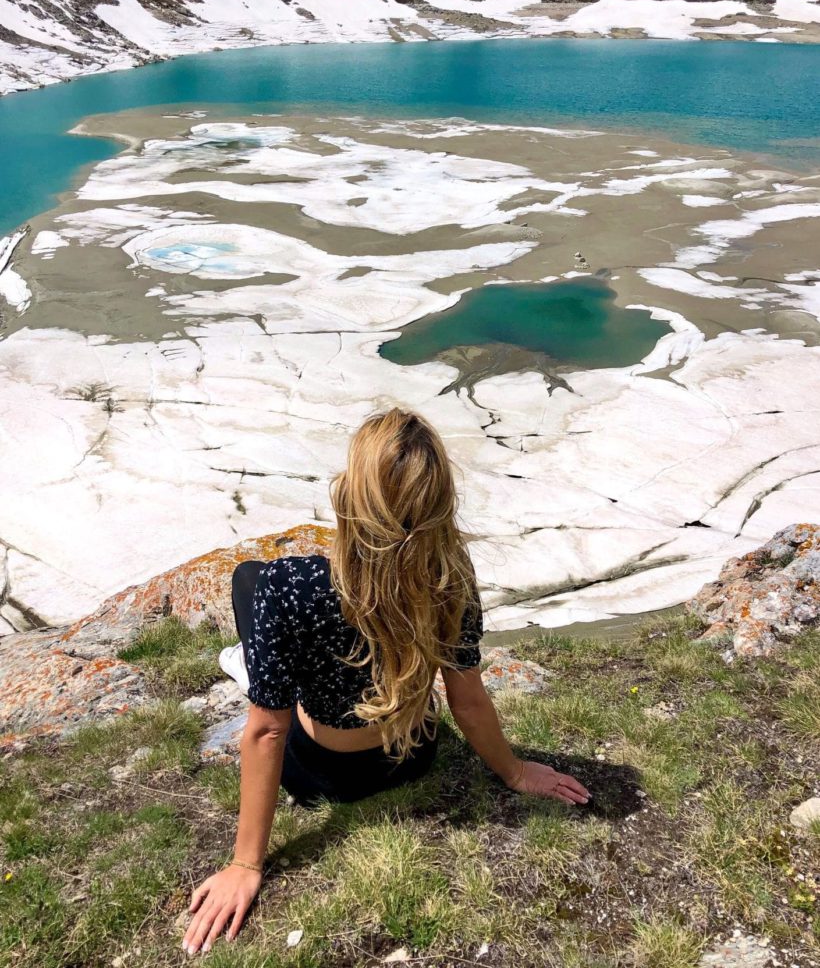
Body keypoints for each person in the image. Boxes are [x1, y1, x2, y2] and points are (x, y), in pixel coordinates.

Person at [183, 408, 589, 956]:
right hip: (413, 752)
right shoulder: (452, 576)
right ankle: (267, 664)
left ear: (351, 496)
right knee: (272, 595)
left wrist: (245, 863)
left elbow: (266, 734)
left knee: (247, 579)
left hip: (324, 776)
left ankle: (257, 666)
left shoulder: (291, 584)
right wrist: (514, 772)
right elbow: (466, 702)